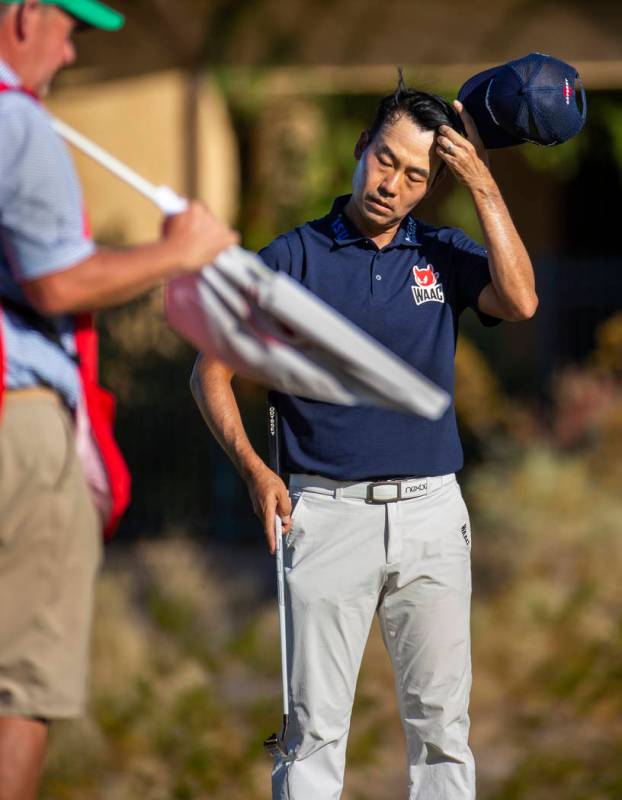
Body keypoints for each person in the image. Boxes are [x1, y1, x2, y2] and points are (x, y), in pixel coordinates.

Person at [192, 76, 537, 799]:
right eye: (385, 160)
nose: (393, 184)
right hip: (325, 517)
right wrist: (258, 473)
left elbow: (521, 299)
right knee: (312, 736)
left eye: (416, 175)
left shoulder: (441, 253)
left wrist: (483, 185)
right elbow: (209, 374)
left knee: (444, 732)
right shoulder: (291, 260)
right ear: (361, 148)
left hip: (434, 516)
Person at [0, 2, 238, 798]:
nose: (69, 55)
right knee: (22, 687)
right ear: (27, 15)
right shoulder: (19, 122)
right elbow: (58, 282)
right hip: (15, 412)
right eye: (69, 31)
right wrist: (181, 252)